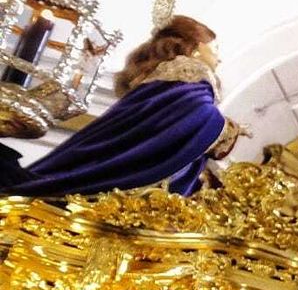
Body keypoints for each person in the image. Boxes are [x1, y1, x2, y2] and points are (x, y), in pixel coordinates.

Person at [3, 15, 242, 197]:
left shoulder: (165, 83)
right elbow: (198, 115)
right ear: (195, 46)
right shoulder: (188, 80)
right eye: (215, 47)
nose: (219, 56)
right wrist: (226, 129)